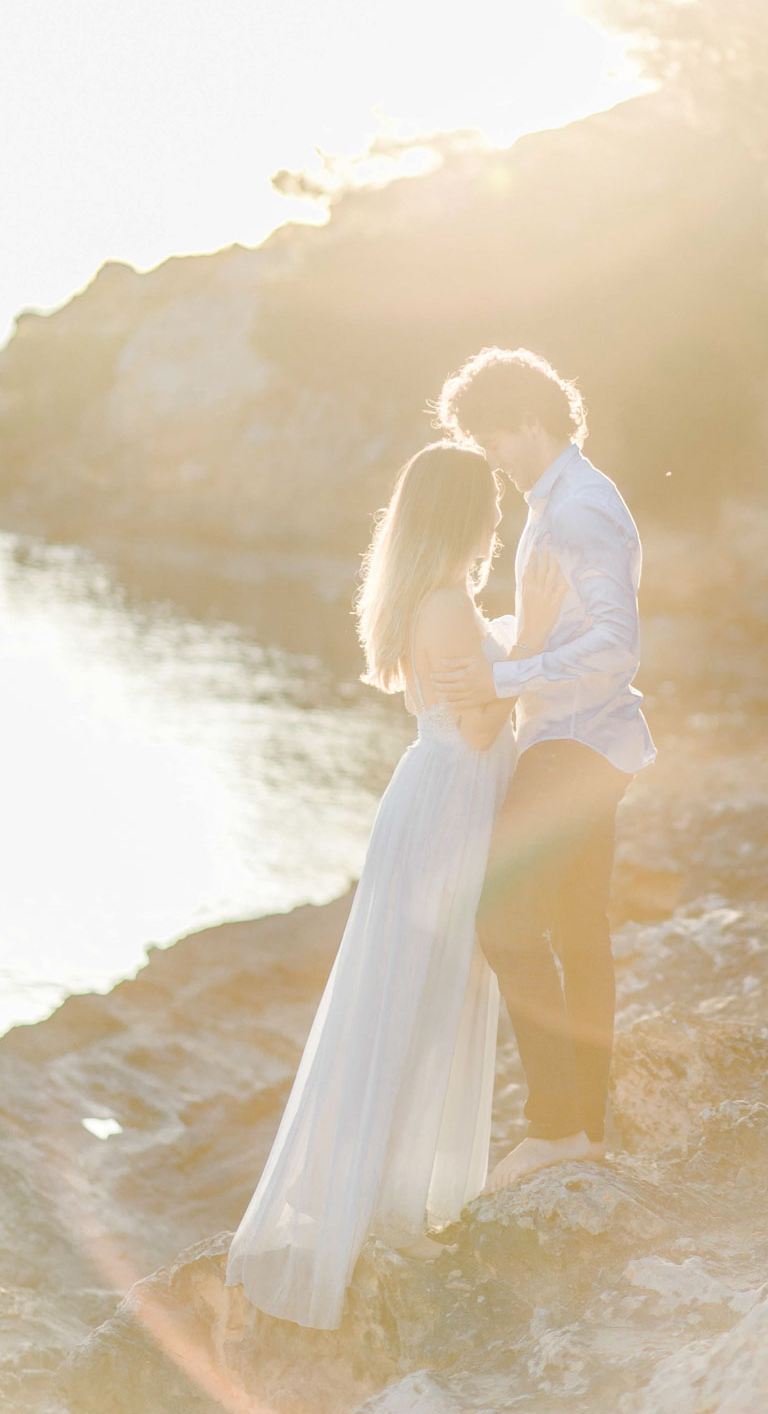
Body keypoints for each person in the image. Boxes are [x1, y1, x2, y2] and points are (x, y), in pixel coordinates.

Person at [224, 441, 565, 1328]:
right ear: (466, 517)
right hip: (451, 802)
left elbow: (482, 712)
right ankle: (379, 1202)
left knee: (421, 999)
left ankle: (392, 1193)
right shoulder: (450, 606)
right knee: (419, 1000)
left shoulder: (437, 598)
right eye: (489, 507)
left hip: (441, 799)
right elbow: (485, 729)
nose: (498, 520)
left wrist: (518, 649)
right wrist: (532, 634)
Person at [434, 348, 656, 1191]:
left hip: (576, 739)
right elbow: (560, 622)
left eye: (488, 435)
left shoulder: (578, 510)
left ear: (528, 419)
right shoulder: (559, 501)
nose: (486, 453)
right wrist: (505, 645)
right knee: (575, 930)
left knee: (501, 919)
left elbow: (615, 643)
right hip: (587, 738)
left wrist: (504, 677)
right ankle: (586, 1131)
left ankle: (555, 1125)